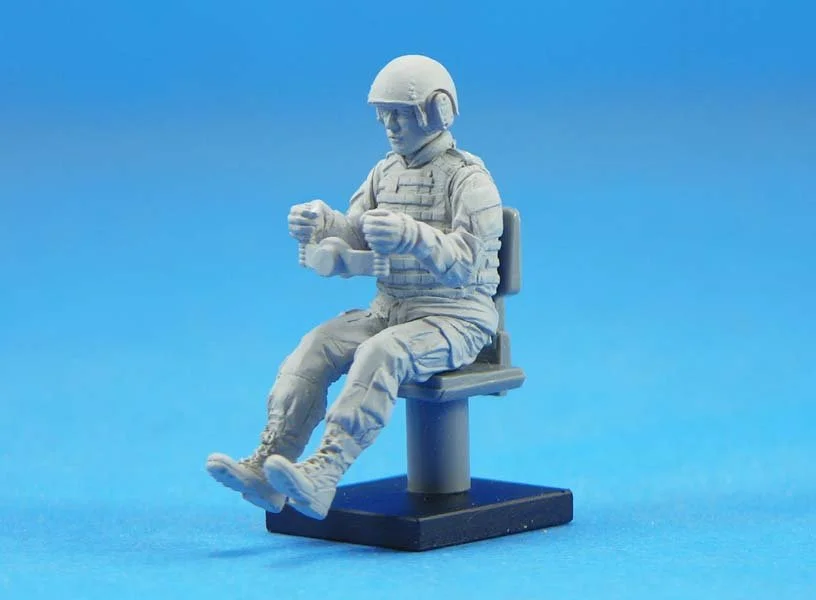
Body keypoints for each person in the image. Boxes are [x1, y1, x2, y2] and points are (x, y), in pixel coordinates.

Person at [206, 54, 504, 520]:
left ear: (436, 112)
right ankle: (269, 466)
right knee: (317, 345)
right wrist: (322, 223)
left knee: (381, 353)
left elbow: (470, 265)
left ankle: (324, 474)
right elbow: (357, 232)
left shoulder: (470, 181)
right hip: (391, 309)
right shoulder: (384, 173)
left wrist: (414, 235)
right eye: (384, 114)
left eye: (400, 113)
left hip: (457, 317)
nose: (390, 125)